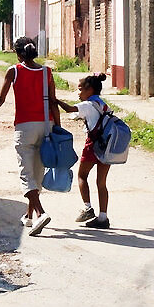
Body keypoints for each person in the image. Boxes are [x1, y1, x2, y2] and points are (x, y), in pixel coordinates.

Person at [0, 37, 60, 236]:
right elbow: (53, 102)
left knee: (26, 175)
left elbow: (1, 98)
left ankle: (41, 213)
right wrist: (57, 129)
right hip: (46, 126)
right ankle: (28, 216)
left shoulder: (14, 71)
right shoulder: (47, 72)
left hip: (25, 127)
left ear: (18, 54)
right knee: (37, 173)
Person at [56, 73, 112, 229]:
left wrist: (55, 100)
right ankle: (103, 217)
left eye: (80, 89)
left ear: (90, 90)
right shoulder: (102, 104)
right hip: (107, 145)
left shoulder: (88, 105)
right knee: (101, 182)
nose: (78, 93)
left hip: (93, 145)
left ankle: (87, 208)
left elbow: (69, 109)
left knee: (82, 175)